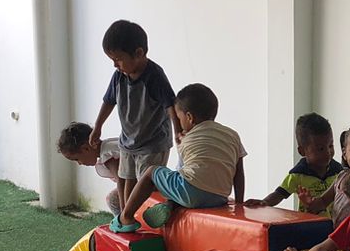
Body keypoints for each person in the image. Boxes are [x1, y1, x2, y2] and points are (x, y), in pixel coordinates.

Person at [111, 83, 246, 232]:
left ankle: (125, 217)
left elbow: (183, 172)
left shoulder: (187, 138)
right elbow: (239, 172)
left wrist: (181, 142)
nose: (179, 122)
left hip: (191, 192)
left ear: (189, 117)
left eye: (179, 117)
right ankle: (168, 207)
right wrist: (239, 204)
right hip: (219, 198)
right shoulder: (233, 135)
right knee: (184, 186)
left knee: (151, 172)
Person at [88, 20, 180, 220]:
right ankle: (126, 216)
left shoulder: (154, 76)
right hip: (128, 141)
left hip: (153, 143)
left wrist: (178, 131)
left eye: (118, 59)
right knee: (126, 177)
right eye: (112, 60)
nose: (115, 65)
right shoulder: (118, 76)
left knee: (146, 182)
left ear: (138, 53)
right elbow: (108, 101)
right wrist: (98, 126)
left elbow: (170, 105)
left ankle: (167, 206)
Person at [246, 113, 344, 216]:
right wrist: (264, 202)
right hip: (310, 224)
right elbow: (279, 194)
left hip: (337, 224)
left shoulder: (339, 172)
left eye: (330, 146)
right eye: (320, 149)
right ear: (302, 151)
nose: (328, 152)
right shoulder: (297, 175)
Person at [57, 121, 122, 214]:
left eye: (77, 159)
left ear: (86, 148)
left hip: (142, 183)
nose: (79, 163)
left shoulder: (108, 156)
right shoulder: (109, 143)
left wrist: (125, 211)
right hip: (141, 178)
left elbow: (122, 182)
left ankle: (122, 221)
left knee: (112, 199)